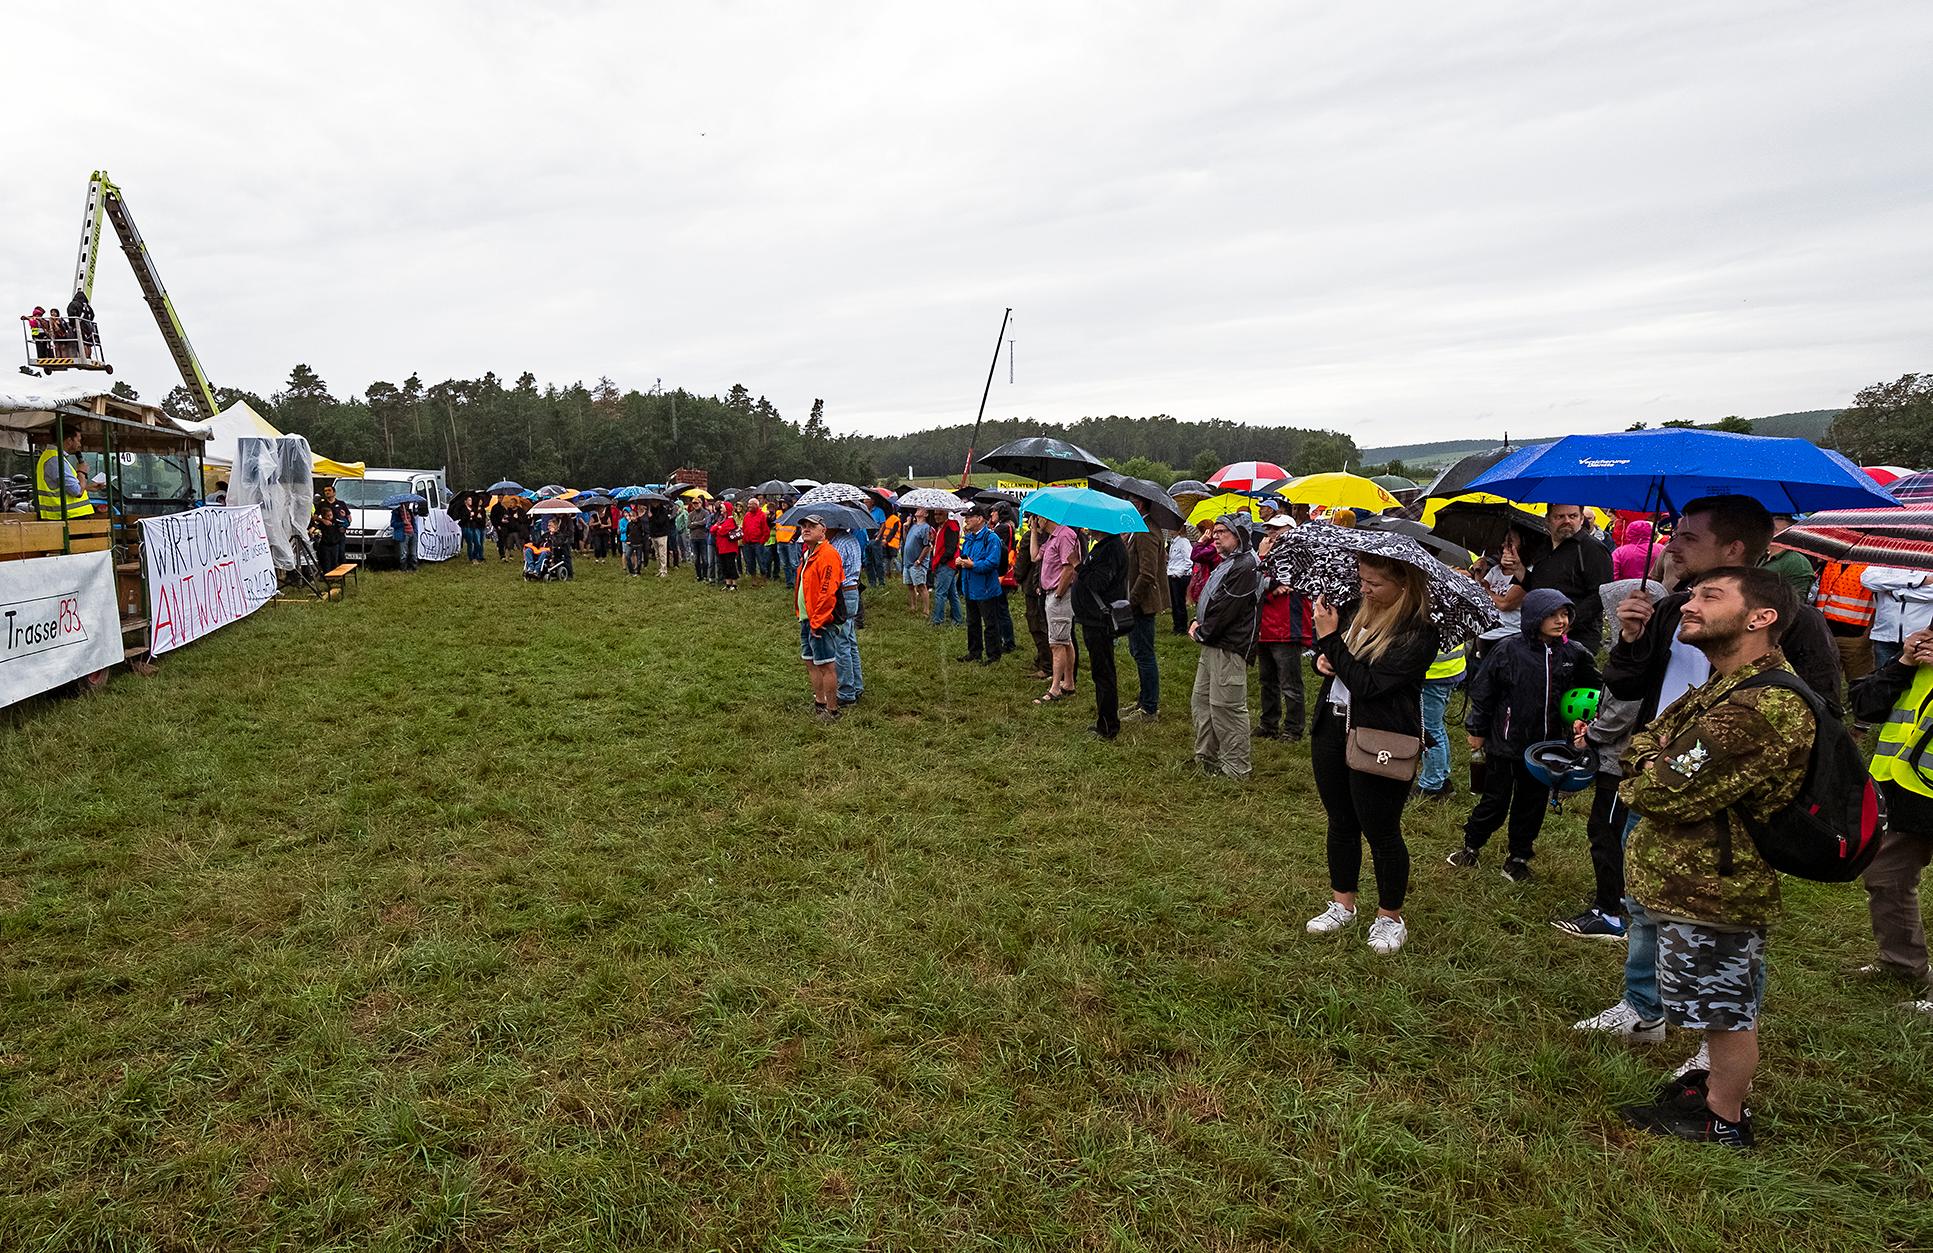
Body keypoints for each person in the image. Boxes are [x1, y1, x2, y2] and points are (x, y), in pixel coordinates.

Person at [1575, 495, 1842, 1050]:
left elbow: (1821, 713)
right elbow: (1626, 689)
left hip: (1734, 807)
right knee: (1644, 900)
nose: (1672, 543)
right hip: (1663, 779)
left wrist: (1744, 758)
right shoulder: (1672, 607)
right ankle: (1642, 1006)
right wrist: (1629, 640)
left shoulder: (1794, 622)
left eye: (1689, 536)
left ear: (1734, 549)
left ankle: (1713, 1047)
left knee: (1726, 928)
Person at [1611, 567, 1814, 1148]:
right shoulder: (1728, 685)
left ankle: (1723, 1119)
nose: (1689, 606)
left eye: (1709, 596)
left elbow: (1661, 790)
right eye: (1693, 594)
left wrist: (1649, 767)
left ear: (1760, 617)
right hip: (1693, 878)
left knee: (1724, 1009)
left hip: (1717, 884)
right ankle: (1712, 1094)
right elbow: (1649, 738)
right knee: (1712, 998)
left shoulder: (1761, 702)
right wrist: (1653, 759)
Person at [1304, 553, 1438, 955]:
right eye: (1362, 579)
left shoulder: (1419, 634)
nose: (1364, 588)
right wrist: (1322, 660)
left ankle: (1389, 917)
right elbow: (1336, 666)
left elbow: (1369, 685)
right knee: (1340, 820)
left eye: (1374, 583)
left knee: (1381, 829)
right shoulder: (1354, 614)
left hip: (1381, 738)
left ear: (1404, 586)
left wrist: (1329, 639)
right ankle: (1342, 902)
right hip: (1332, 725)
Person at [1448, 589, 1600, 881]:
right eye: (1553, 615)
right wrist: (1477, 730)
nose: (1561, 621)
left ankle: (1518, 857)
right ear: (1534, 617)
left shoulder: (1573, 653)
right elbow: (1483, 692)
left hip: (1547, 747)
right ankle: (1471, 845)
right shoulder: (1508, 650)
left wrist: (1584, 720)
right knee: (1495, 800)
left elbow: (1593, 689)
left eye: (1565, 614)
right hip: (1505, 743)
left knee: (1531, 804)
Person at [1850, 626, 1933, 1006]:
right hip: (1905, 792)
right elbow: (1866, 705)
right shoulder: (1919, 658)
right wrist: (1903, 661)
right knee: (1886, 877)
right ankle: (1901, 962)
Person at [1187, 515, 1261, 776]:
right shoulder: (1229, 563)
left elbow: (1228, 609)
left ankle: (1236, 767)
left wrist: (1203, 630)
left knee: (1226, 707)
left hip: (1229, 646)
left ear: (1238, 535)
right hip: (1213, 643)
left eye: (1222, 532)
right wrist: (1198, 620)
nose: (1215, 536)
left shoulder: (1245, 566)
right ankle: (1206, 756)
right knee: (1203, 702)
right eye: (1215, 531)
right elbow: (1214, 599)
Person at [1524, 504, 1614, 655]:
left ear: (1581, 519)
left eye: (1572, 516)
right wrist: (1519, 570)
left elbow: (1600, 594)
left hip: (1577, 637)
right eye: (1560, 517)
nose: (1567, 521)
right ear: (1548, 520)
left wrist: (1569, 621)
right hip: (1543, 634)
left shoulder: (1592, 549)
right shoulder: (1543, 547)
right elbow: (1536, 587)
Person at [1254, 516, 1312, 742]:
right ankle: (1268, 724)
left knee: (1290, 683)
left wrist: (1272, 584)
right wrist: (1263, 560)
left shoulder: (1300, 557)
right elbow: (1256, 583)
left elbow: (1294, 585)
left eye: (1278, 529)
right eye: (1269, 528)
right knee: (1267, 681)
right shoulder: (1263, 557)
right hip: (1265, 627)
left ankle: (1293, 729)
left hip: (1288, 628)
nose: (1272, 533)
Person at [1076, 525, 1129, 739]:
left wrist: (1078, 566)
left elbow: (1097, 582)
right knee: (1101, 671)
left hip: (1100, 621)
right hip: (1093, 619)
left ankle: (1108, 726)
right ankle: (1104, 720)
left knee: (1104, 673)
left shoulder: (1111, 549)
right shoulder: (1105, 546)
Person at [794, 514, 845, 719]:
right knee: (810, 662)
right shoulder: (809, 553)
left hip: (819, 621)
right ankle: (820, 702)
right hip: (807, 619)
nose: (805, 529)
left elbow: (827, 591)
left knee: (825, 665)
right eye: (804, 526)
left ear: (822, 530)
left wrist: (818, 621)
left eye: (811, 526)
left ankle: (832, 710)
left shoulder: (827, 554)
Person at [1123, 503, 1170, 720]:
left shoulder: (1146, 530)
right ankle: (1144, 700)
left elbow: (1148, 573)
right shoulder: (1139, 528)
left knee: (1144, 654)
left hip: (1142, 604)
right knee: (1138, 651)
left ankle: (1149, 707)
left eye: (1128, 499)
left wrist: (1131, 602)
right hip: (1138, 602)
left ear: (1139, 503)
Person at [1034, 516, 1082, 704]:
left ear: (1045, 518)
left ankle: (1055, 688)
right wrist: (1034, 534)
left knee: (1057, 644)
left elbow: (1069, 568)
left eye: (1037, 518)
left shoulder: (1065, 536)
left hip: (1059, 594)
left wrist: (1059, 594)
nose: (1035, 521)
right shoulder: (1053, 537)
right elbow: (1034, 556)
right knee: (1065, 640)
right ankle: (1068, 682)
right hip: (1052, 593)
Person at [955, 506, 1007, 665]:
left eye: (970, 517)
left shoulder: (991, 538)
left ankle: (993, 655)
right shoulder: (969, 538)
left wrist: (973, 565)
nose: (966, 520)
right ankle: (974, 652)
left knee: (990, 624)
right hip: (970, 587)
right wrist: (961, 562)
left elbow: (992, 562)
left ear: (980, 519)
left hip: (986, 588)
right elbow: (966, 557)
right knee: (972, 622)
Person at [1860, 566, 1933, 672]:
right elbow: (1868, 579)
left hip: (1922, 638)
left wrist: (1895, 592)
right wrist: (1921, 580)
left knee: (1918, 683)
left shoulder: (1929, 557)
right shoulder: (1890, 555)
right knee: (1883, 683)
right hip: (1885, 635)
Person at [1816, 557, 1876, 683]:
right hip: (1825, 632)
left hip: (1855, 637)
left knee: (1859, 683)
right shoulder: (1832, 561)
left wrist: (1867, 635)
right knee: (1824, 682)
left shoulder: (1873, 565)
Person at [830, 525, 865, 706]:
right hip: (852, 591)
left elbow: (834, 572)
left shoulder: (837, 545)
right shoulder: (851, 539)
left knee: (841, 643)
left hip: (842, 592)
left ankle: (846, 692)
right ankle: (856, 686)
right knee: (850, 641)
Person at [1014, 518, 1053, 679]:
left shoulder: (1031, 537)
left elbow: (1023, 562)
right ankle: (1044, 659)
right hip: (1045, 585)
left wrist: (1017, 577)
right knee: (1046, 624)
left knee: (1037, 625)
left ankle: (1046, 665)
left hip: (1033, 585)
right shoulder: (1052, 536)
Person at [35, 427, 95, 520]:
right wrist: (81, 472)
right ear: (69, 440)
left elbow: (63, 488)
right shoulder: (55, 460)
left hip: (67, 517)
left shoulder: (54, 457)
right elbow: (77, 491)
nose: (79, 444)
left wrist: (88, 487)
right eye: (78, 440)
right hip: (68, 517)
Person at [1762, 515, 1817, 598]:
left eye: (1774, 529)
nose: (1767, 532)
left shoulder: (1797, 562)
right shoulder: (1762, 556)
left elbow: (1797, 602)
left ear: (1788, 534)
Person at [929, 511, 963, 626]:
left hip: (946, 565)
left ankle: (938, 621)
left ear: (946, 514)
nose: (937, 516)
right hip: (945, 564)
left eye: (939, 514)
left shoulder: (951, 526)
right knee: (952, 594)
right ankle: (957, 620)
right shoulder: (942, 527)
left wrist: (941, 561)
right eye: (935, 514)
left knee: (940, 593)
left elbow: (951, 548)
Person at [902, 511, 933, 615]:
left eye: (921, 509)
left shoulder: (926, 527)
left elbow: (927, 545)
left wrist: (919, 560)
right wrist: (905, 528)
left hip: (917, 562)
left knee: (921, 586)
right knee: (910, 585)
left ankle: (926, 610)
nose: (917, 510)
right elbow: (906, 540)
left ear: (926, 514)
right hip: (907, 561)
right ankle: (913, 606)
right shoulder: (913, 526)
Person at [313, 484, 350, 570]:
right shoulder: (322, 504)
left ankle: (342, 573)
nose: (327, 493)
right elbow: (315, 517)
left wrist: (344, 518)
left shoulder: (341, 503)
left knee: (340, 554)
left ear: (334, 492)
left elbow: (349, 518)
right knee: (327, 556)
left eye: (329, 490)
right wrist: (323, 520)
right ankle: (328, 572)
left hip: (339, 532)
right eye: (325, 491)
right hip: (327, 534)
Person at [1167, 529, 1194, 634]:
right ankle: (1176, 625)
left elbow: (1189, 560)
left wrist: (1178, 573)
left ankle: (1181, 627)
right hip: (1171, 573)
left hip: (1180, 576)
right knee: (1174, 602)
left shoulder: (1183, 542)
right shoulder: (1173, 542)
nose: (1169, 531)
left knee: (1179, 602)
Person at [710, 502, 741, 591]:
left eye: (722, 508)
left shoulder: (730, 520)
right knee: (724, 566)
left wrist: (718, 528)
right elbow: (712, 530)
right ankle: (728, 583)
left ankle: (734, 584)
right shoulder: (722, 520)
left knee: (730, 565)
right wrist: (718, 527)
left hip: (729, 548)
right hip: (721, 547)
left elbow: (721, 532)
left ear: (727, 509)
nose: (720, 509)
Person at [389, 500, 418, 572]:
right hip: (403, 534)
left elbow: (413, 522)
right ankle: (403, 568)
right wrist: (402, 523)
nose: (408, 504)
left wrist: (415, 532)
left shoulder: (409, 511)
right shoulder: (396, 512)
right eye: (407, 503)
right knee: (403, 552)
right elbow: (393, 524)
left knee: (413, 552)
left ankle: (413, 567)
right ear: (403, 504)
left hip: (412, 533)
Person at [459, 492, 487, 563]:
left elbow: (475, 518)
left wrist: (475, 516)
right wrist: (470, 516)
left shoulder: (472, 508)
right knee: (470, 543)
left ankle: (475, 556)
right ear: (465, 501)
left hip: (473, 527)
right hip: (466, 527)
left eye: (471, 500)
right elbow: (463, 519)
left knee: (477, 543)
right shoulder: (463, 509)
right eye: (469, 500)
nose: (470, 501)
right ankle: (471, 558)